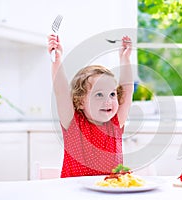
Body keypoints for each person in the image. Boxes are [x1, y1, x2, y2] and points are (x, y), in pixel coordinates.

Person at [47, 34, 133, 178]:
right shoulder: (73, 123)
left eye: (112, 94)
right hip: (74, 192)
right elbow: (61, 91)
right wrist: (57, 60)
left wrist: (125, 59)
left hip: (108, 192)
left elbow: (127, 90)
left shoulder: (115, 123)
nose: (108, 101)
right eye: (99, 95)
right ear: (80, 101)